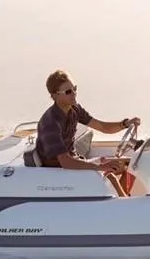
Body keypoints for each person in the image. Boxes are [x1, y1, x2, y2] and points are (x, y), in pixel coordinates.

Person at [35, 69, 141, 197]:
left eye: (74, 89)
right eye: (68, 92)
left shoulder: (75, 109)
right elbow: (65, 162)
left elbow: (102, 127)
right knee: (110, 175)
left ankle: (125, 198)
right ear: (54, 96)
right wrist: (100, 167)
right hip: (59, 171)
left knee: (129, 163)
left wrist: (125, 124)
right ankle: (125, 204)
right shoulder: (50, 123)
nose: (74, 93)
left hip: (75, 161)